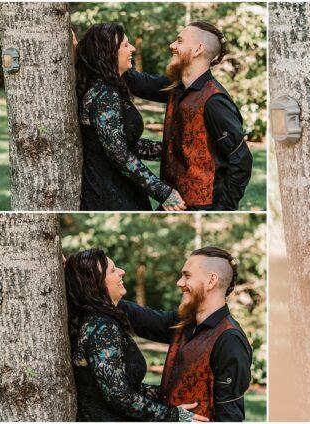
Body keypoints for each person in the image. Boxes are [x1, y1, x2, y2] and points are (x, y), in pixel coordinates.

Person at [123, 22, 252, 211]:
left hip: (204, 206)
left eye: (179, 41)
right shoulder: (177, 88)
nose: (172, 46)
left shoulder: (214, 101)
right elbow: (139, 83)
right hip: (174, 203)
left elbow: (242, 160)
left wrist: (223, 209)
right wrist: (103, 53)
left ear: (198, 49)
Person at [64, 248, 204, 421]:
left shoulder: (99, 321)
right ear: (96, 283)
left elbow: (123, 386)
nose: (122, 272)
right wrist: (172, 416)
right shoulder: (101, 327)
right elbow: (119, 395)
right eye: (113, 270)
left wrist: (169, 395)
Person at [118, 247, 253, 422]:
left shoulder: (230, 339)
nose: (179, 282)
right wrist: (102, 291)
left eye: (187, 275)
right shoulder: (184, 322)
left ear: (211, 280)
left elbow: (230, 415)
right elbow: (140, 318)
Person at [75, 23, 186, 211]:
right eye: (126, 45)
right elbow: (120, 154)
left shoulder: (108, 88)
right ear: (109, 53)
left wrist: (174, 149)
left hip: (122, 189)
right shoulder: (104, 95)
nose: (133, 48)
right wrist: (163, 192)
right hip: (110, 195)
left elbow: (124, 144)